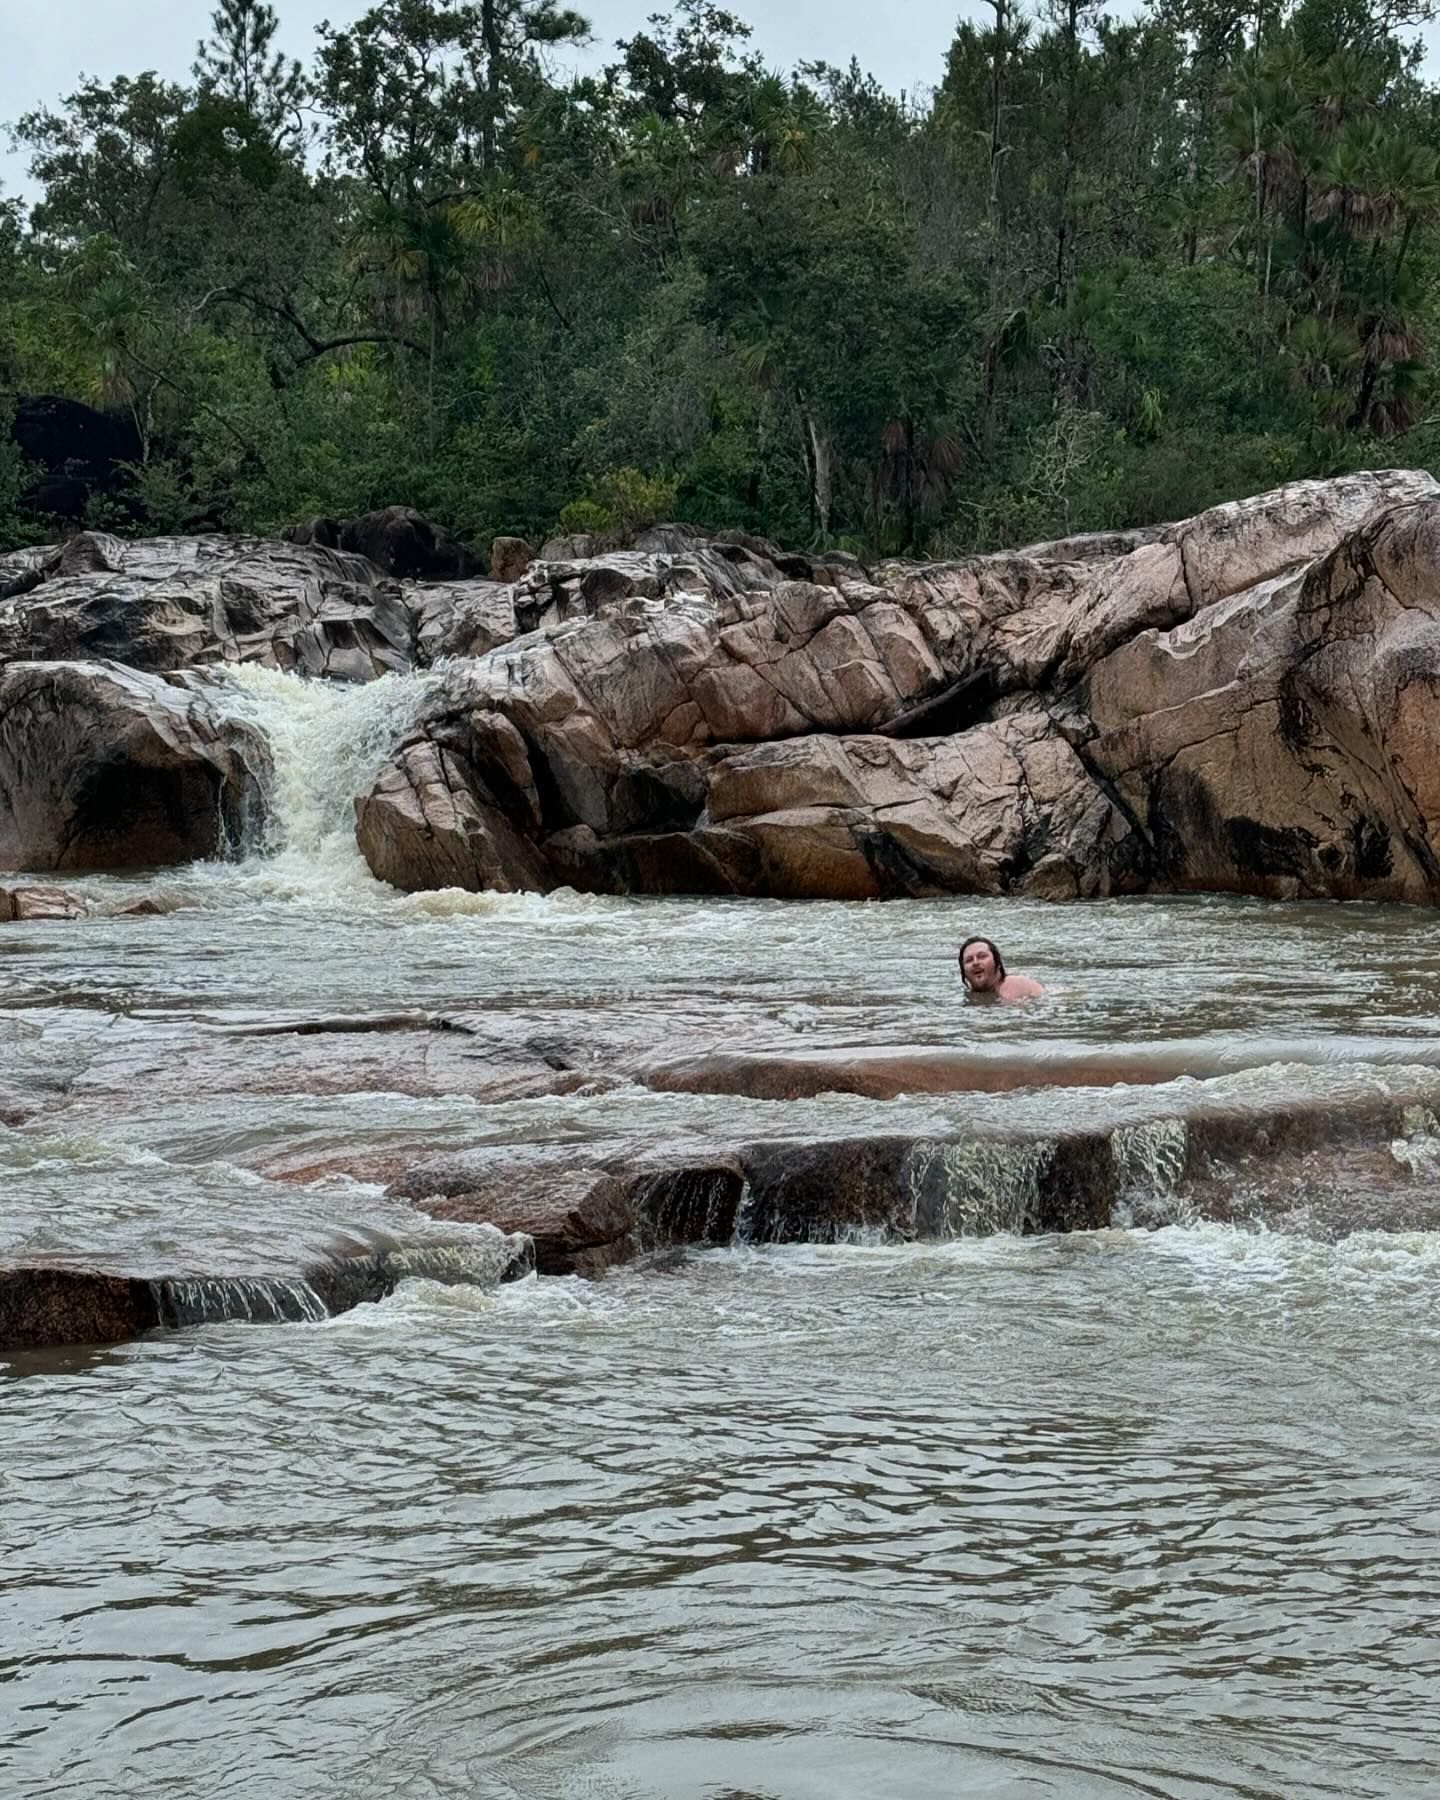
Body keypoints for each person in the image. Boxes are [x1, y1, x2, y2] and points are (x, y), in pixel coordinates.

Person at [958, 935, 1044, 1003]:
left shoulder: (1013, 984)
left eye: (982, 956)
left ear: (997, 962)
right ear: (963, 972)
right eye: (969, 960)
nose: (975, 962)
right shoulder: (970, 996)